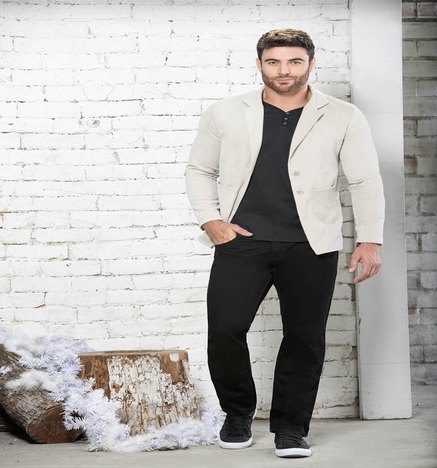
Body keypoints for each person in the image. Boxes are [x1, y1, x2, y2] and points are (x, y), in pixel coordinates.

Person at [185, 28, 385, 459]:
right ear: (259, 64)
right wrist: (211, 221)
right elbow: (199, 170)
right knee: (225, 331)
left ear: (311, 63)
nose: (284, 71)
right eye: (274, 62)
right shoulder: (225, 112)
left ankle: (292, 429)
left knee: (305, 338)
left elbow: (365, 180)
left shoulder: (343, 115)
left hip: (311, 244)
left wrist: (370, 239)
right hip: (242, 241)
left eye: (295, 61)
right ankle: (237, 414)